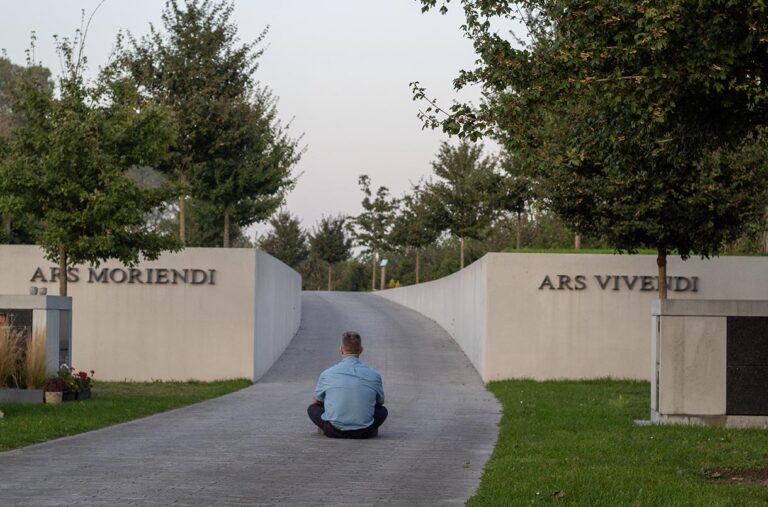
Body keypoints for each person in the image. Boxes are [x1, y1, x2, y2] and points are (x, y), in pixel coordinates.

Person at [308, 331, 387, 439]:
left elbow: (317, 401)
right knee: (383, 411)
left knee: (312, 408)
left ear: (341, 349)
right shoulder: (374, 375)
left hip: (333, 430)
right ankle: (366, 425)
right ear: (361, 350)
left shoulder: (327, 373)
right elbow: (380, 402)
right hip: (364, 432)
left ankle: (330, 424)